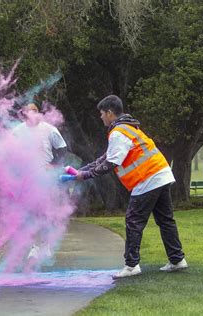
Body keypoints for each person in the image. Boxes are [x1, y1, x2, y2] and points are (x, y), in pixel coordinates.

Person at [75, 95, 187, 279]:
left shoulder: (118, 132)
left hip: (148, 178)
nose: (101, 117)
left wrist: (85, 176)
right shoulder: (127, 128)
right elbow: (103, 158)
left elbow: (111, 162)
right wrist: (81, 171)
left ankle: (131, 265)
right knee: (165, 220)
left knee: (133, 221)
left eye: (102, 114)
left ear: (110, 113)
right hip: (161, 173)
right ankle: (177, 259)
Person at [12, 101, 68, 262]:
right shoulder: (17, 131)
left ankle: (45, 245)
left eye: (34, 111)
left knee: (46, 212)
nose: (31, 115)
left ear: (38, 113)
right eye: (28, 112)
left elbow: (62, 149)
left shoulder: (49, 129)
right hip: (27, 178)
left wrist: (54, 165)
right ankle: (34, 247)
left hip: (46, 178)